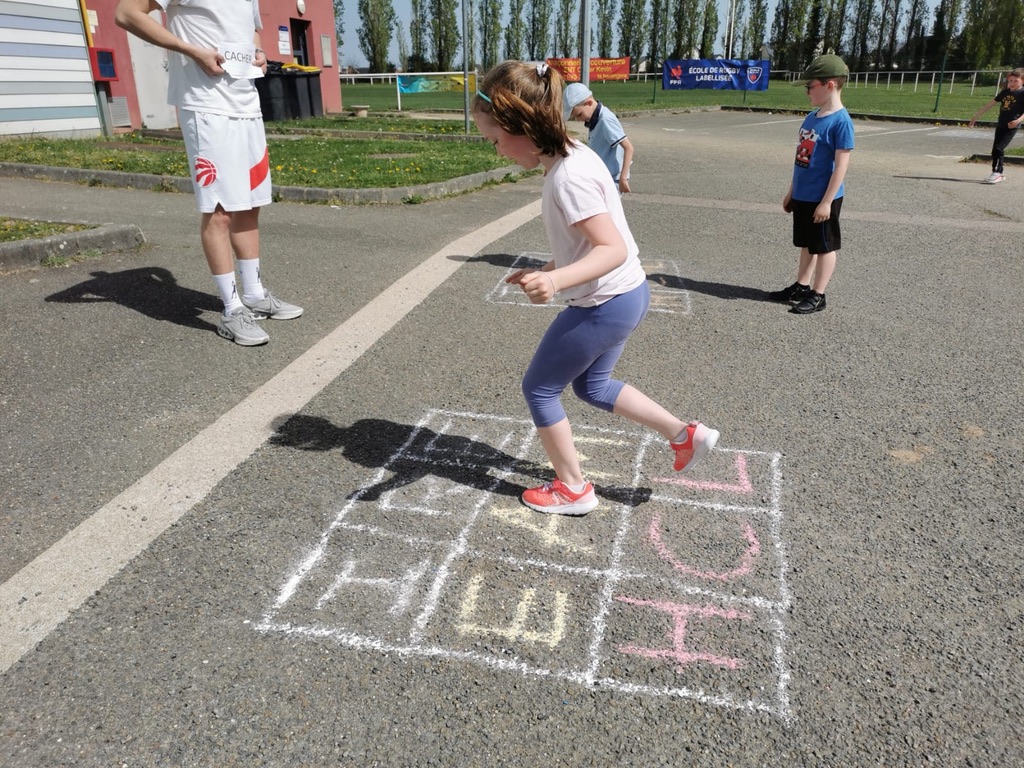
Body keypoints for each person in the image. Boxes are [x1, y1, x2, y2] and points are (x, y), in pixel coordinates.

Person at [472, 61, 719, 517]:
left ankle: (573, 490)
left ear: (520, 125)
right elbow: (585, 245)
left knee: (539, 389)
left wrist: (553, 280)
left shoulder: (568, 178)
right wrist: (546, 267)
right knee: (592, 386)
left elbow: (612, 249)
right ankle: (685, 435)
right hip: (627, 295)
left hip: (605, 303)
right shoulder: (574, 155)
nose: (496, 150)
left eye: (495, 139)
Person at [115, 0, 303, 346]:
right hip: (205, 105)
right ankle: (231, 310)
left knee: (249, 204)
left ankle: (254, 295)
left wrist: (259, 52)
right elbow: (126, 13)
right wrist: (191, 50)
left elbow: (251, 29)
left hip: (246, 103)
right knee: (219, 210)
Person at [768, 54, 855, 315]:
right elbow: (801, 160)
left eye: (810, 86)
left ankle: (819, 294)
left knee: (824, 246)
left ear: (830, 85)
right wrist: (792, 192)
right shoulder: (811, 117)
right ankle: (801, 286)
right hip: (804, 194)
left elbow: (841, 166)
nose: (807, 92)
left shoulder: (841, 122)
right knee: (807, 243)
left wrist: (827, 202)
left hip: (823, 197)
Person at [563, 82, 635, 194]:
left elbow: (628, 147)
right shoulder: (595, 118)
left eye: (579, 114)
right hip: (603, 175)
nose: (579, 119)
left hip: (613, 178)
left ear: (589, 103)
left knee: (607, 206)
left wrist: (623, 178)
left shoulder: (605, 119)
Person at [968, 68, 1024, 184]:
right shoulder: (1005, 92)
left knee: (999, 148)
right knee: (995, 150)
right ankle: (997, 172)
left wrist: (1018, 120)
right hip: (1001, 123)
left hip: (1012, 126)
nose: (1012, 83)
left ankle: (998, 172)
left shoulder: (1022, 93)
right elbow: (991, 104)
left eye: (1016, 81)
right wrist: (977, 115)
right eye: (1010, 81)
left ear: (1022, 81)